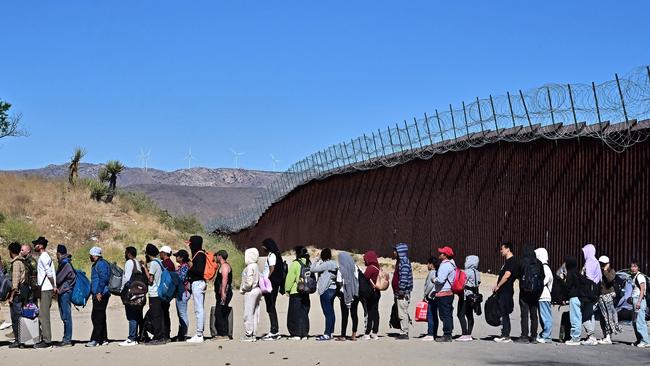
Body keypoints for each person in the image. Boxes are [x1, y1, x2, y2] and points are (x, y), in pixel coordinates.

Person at [32, 236, 55, 349]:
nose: (34, 246)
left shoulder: (44, 256)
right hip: (46, 288)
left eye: (36, 244)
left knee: (43, 315)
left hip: (46, 288)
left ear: (40, 246)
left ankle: (47, 341)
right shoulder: (44, 256)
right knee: (43, 314)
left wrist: (53, 286)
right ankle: (45, 339)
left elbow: (49, 273)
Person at [493, 242, 518, 343]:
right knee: (503, 312)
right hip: (503, 290)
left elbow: (507, 275)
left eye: (502, 248)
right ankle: (504, 333)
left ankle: (506, 335)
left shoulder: (511, 261)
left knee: (504, 312)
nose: (501, 251)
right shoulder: (507, 262)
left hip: (506, 290)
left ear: (508, 249)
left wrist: (498, 286)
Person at [310, 248, 338, 341]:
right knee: (331, 312)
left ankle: (327, 334)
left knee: (327, 312)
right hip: (333, 289)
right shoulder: (334, 263)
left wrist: (317, 259)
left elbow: (312, 269)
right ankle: (330, 333)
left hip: (326, 290)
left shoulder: (326, 264)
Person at [518, 245, 543, 344]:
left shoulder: (523, 262)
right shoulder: (539, 263)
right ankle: (533, 336)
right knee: (534, 314)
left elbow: (518, 274)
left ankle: (524, 336)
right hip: (536, 292)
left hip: (525, 291)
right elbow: (542, 276)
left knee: (524, 314)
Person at [86, 246, 111, 347]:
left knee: (97, 317)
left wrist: (99, 292)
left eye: (90, 255)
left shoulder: (101, 264)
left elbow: (103, 279)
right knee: (100, 316)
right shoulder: (99, 264)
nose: (90, 257)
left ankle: (95, 339)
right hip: (98, 294)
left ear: (95, 255)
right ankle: (103, 339)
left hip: (101, 294)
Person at [285, 246, 311, 340]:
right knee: (304, 313)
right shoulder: (308, 263)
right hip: (306, 291)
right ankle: (304, 333)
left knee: (294, 313)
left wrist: (287, 289)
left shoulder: (296, 263)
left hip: (296, 291)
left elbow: (290, 278)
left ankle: (296, 334)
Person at [119, 246, 144, 347]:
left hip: (131, 293)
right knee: (138, 315)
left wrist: (121, 290)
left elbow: (126, 278)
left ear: (129, 253)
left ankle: (131, 338)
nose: (125, 254)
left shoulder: (129, 262)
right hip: (139, 293)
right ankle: (138, 337)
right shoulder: (137, 263)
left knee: (131, 315)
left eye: (126, 253)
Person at [143, 243, 166, 345]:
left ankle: (157, 337)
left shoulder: (153, 263)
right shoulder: (159, 262)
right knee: (159, 315)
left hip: (154, 293)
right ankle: (161, 336)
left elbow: (150, 280)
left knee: (155, 316)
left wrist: (144, 268)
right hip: (159, 293)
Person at [336, 251, 362, 341]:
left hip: (345, 294)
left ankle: (343, 335)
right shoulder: (355, 267)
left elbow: (339, 282)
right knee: (354, 314)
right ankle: (354, 335)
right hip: (355, 293)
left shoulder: (341, 269)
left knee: (344, 315)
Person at [579, 244, 601, 346]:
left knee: (584, 316)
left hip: (588, 293)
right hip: (594, 292)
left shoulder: (589, 261)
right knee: (590, 315)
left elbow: (588, 277)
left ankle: (591, 336)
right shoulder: (595, 261)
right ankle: (590, 337)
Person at [261, 238, 283, 341]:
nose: (263, 248)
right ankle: (274, 330)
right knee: (271, 307)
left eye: (264, 246)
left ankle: (274, 331)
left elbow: (272, 269)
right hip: (272, 284)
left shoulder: (273, 255)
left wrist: (267, 281)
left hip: (271, 285)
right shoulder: (273, 255)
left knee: (271, 306)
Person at [596, 256, 621, 345]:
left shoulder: (611, 271)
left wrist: (606, 270)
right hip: (601, 296)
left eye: (603, 264)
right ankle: (605, 335)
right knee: (603, 317)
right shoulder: (599, 270)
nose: (601, 265)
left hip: (608, 296)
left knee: (609, 316)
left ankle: (608, 337)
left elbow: (610, 279)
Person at [7, 242, 28, 349]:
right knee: (20, 317)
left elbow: (15, 283)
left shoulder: (16, 263)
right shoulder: (22, 262)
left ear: (11, 252)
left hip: (17, 295)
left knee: (16, 318)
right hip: (23, 293)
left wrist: (11, 297)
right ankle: (21, 340)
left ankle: (18, 341)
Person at [186, 235, 207, 343]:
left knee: (199, 309)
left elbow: (199, 271)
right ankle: (199, 333)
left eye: (190, 243)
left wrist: (190, 270)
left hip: (198, 283)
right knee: (199, 309)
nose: (189, 246)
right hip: (199, 283)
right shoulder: (199, 254)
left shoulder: (199, 255)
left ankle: (199, 334)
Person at [54, 244, 76, 347]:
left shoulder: (65, 264)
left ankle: (67, 340)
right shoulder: (65, 262)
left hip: (65, 292)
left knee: (66, 316)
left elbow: (58, 279)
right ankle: (66, 338)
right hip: (64, 291)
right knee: (65, 316)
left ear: (59, 253)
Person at [434, 246, 455, 342]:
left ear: (445, 255)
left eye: (441, 253)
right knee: (448, 314)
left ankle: (447, 334)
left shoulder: (445, 265)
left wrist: (433, 279)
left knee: (445, 314)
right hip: (449, 293)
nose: (439, 254)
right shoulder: (452, 265)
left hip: (444, 293)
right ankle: (448, 332)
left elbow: (440, 279)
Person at [392, 243, 413, 340]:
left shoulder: (404, 262)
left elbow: (404, 278)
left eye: (395, 251)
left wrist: (401, 290)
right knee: (400, 311)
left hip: (402, 293)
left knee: (402, 312)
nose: (394, 252)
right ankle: (402, 330)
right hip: (398, 292)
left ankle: (404, 332)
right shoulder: (400, 262)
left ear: (400, 252)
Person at [241, 248, 263, 342]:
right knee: (255, 313)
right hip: (257, 290)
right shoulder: (256, 265)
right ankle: (253, 333)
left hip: (251, 291)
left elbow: (249, 282)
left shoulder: (250, 267)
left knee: (248, 313)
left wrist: (243, 288)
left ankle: (248, 334)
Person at [458, 255, 480, 342]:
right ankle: (469, 333)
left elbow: (462, 283)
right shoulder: (477, 272)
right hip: (474, 296)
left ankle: (464, 333)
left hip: (465, 296)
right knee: (470, 315)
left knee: (460, 314)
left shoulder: (466, 272)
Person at [534, 247, 553, 344]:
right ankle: (544, 334)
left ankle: (547, 336)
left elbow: (543, 282)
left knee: (546, 317)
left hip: (544, 296)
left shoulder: (545, 268)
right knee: (543, 316)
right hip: (542, 296)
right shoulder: (544, 267)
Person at [630, 259, 649, 348]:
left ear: (638, 267)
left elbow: (642, 290)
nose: (633, 268)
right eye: (632, 266)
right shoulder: (634, 276)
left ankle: (646, 341)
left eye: (635, 266)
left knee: (640, 321)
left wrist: (638, 302)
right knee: (634, 322)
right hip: (635, 299)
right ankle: (639, 339)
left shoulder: (640, 276)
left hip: (639, 300)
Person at [214, 250, 233, 340]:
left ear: (220, 256)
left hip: (224, 293)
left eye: (216, 256)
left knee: (220, 312)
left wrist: (223, 293)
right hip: (223, 293)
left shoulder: (225, 266)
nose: (215, 258)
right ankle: (223, 333)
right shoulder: (222, 266)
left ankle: (223, 334)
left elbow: (224, 279)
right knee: (222, 311)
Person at [363, 250, 381, 340]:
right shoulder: (377, 267)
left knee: (370, 312)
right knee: (376, 312)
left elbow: (364, 278)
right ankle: (375, 332)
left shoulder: (370, 268)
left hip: (371, 293)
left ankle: (367, 333)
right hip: (377, 292)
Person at [565, 256, 582, 345]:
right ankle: (576, 336)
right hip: (579, 297)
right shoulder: (577, 273)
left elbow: (568, 287)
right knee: (578, 317)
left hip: (573, 297)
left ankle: (575, 337)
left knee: (574, 318)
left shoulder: (570, 273)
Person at [174, 249, 191, 342]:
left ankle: (184, 334)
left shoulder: (184, 267)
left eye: (177, 256)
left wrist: (176, 272)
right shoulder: (184, 266)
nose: (176, 257)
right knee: (181, 314)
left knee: (182, 314)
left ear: (181, 258)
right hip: (183, 292)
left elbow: (181, 278)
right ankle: (181, 334)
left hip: (183, 292)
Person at [159, 245, 175, 341]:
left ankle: (164, 334)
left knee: (163, 313)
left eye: (161, 252)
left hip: (164, 292)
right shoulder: (170, 263)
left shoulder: (165, 263)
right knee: (165, 312)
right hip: (168, 292)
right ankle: (166, 333)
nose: (159, 254)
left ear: (164, 253)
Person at [421, 256, 438, 342]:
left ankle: (430, 334)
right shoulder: (437, 272)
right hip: (436, 296)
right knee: (435, 315)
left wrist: (425, 295)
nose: (427, 265)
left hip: (431, 296)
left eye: (428, 263)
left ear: (431, 264)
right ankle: (434, 333)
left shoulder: (432, 272)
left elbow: (429, 285)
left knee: (430, 315)